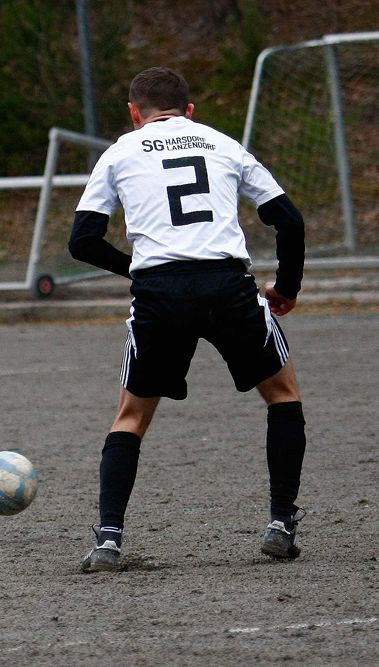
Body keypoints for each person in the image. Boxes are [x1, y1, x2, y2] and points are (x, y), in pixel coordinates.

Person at [68, 67, 307, 572]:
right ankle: (282, 525)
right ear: (190, 111)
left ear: (134, 114)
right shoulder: (224, 145)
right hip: (228, 285)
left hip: (162, 292)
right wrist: (286, 289)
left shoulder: (119, 152)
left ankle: (109, 540)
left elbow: (82, 241)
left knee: (130, 416)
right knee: (282, 394)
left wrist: (136, 269)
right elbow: (289, 220)